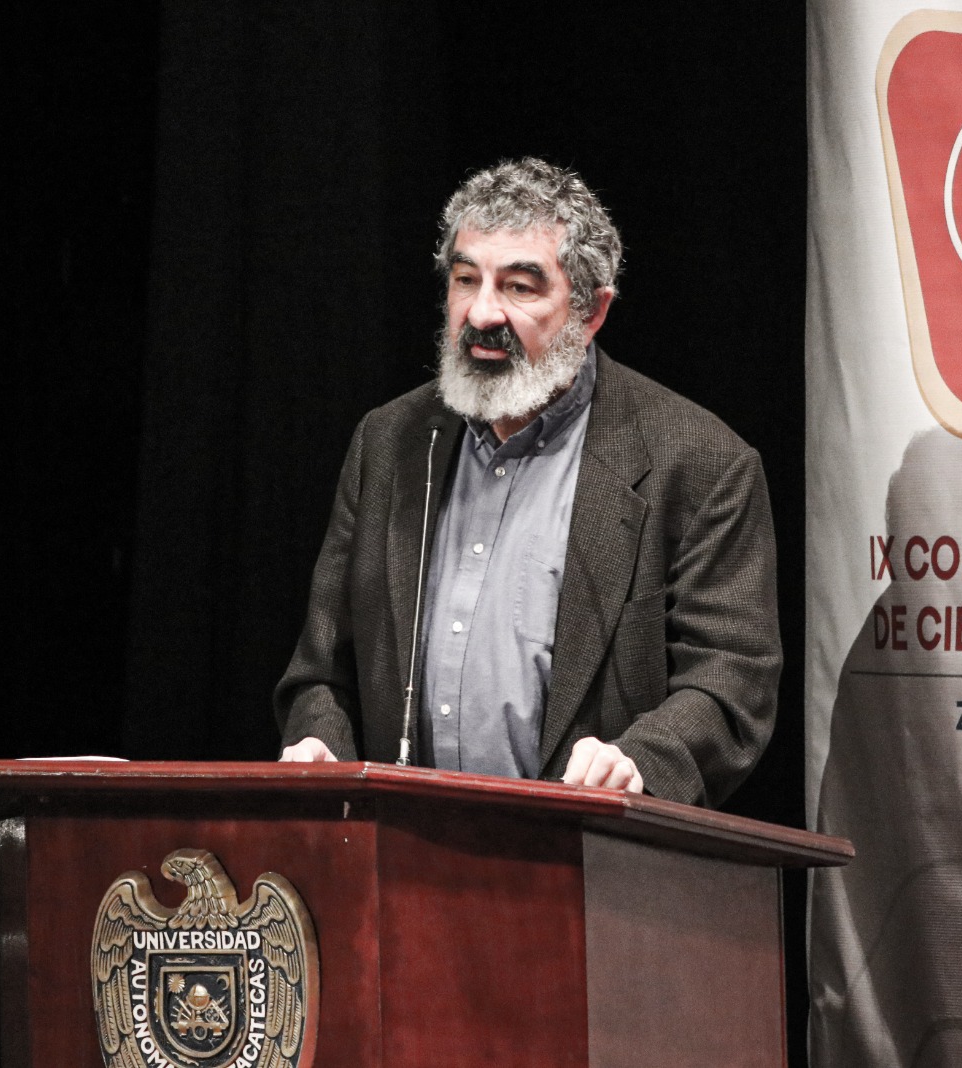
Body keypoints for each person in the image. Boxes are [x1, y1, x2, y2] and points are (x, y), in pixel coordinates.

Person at [274, 158, 779, 807]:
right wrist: (321, 744)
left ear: (591, 311)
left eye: (518, 287)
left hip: (588, 849)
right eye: (465, 280)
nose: (483, 312)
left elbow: (732, 680)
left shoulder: (700, 463)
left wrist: (637, 762)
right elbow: (322, 670)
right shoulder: (391, 442)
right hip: (400, 845)